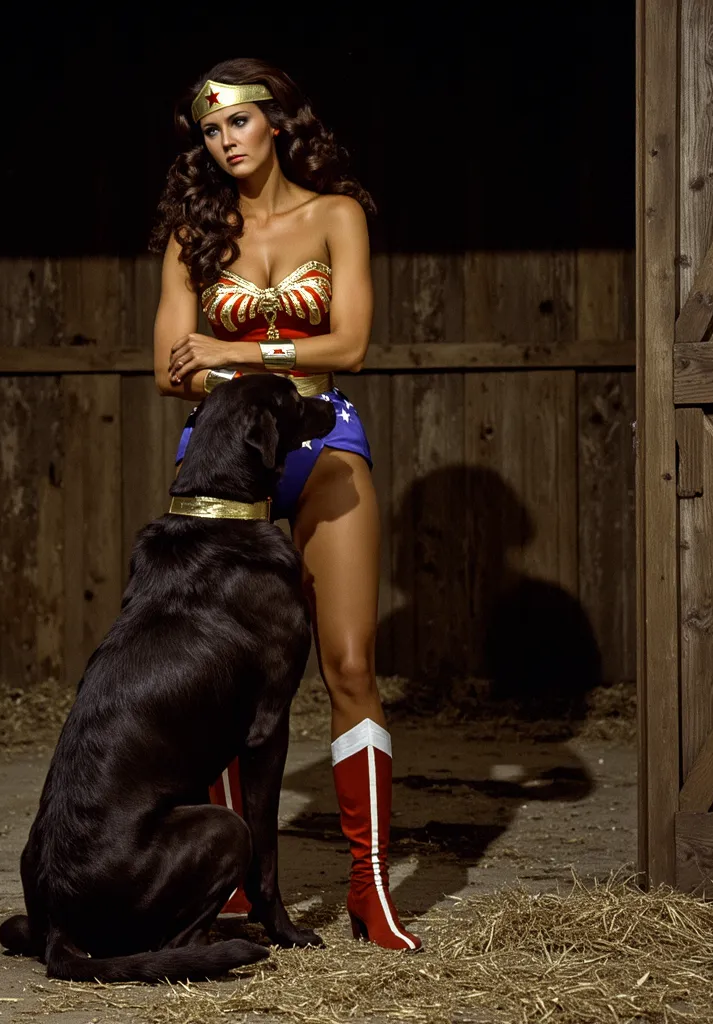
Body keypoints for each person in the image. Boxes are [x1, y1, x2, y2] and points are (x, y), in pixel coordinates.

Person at [148, 58, 420, 952]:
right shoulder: (193, 234)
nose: (226, 141)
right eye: (212, 129)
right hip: (223, 465)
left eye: (240, 122)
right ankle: (229, 886)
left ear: (278, 122)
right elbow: (164, 371)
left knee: (347, 662)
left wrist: (227, 349)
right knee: (224, 672)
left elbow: (350, 345)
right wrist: (279, 354)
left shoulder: (335, 214)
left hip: (324, 448)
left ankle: (370, 891)